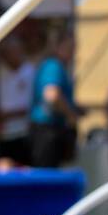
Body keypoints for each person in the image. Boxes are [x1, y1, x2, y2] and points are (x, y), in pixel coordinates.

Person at [29, 31, 81, 167]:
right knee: (47, 177)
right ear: (59, 47)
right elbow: (52, 95)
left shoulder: (53, 66)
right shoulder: (53, 66)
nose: (73, 53)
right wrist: (70, 115)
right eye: (71, 48)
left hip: (47, 131)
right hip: (48, 132)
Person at [0, 38, 35, 165]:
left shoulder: (30, 72)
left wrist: (8, 115)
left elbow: (31, 104)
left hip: (24, 132)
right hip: (3, 134)